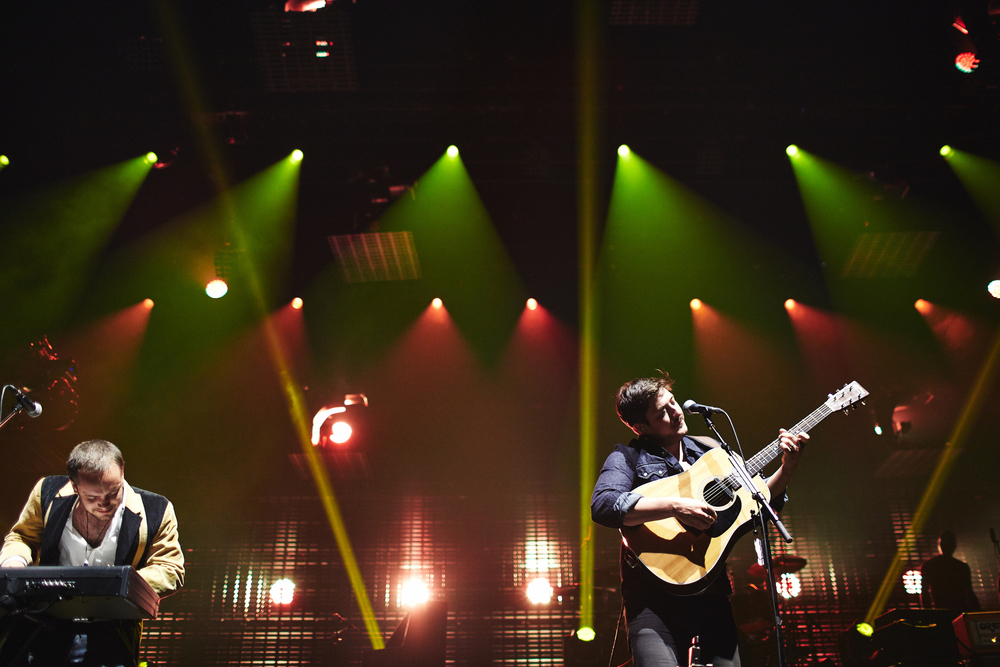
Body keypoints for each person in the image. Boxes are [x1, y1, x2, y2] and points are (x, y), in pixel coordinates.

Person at [591, 374, 808, 667]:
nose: (676, 412)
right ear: (640, 427)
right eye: (662, 412)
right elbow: (604, 505)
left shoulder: (711, 451)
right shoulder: (628, 457)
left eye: (673, 402)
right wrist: (674, 506)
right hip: (653, 601)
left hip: (712, 593)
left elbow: (759, 497)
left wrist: (788, 466)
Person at [0, 439, 185, 666]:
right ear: (74, 487)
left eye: (113, 492)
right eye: (92, 497)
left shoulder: (156, 509)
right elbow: (22, 537)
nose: (105, 503)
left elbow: (170, 569)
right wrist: (13, 566)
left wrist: (117, 585)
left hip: (111, 634)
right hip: (42, 625)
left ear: (122, 471)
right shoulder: (47, 492)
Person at [920, 530, 981, 618]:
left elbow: (925, 594)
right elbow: (970, 593)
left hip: (944, 613)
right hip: (960, 612)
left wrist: (929, 616)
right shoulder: (961, 567)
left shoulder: (930, 565)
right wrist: (978, 614)